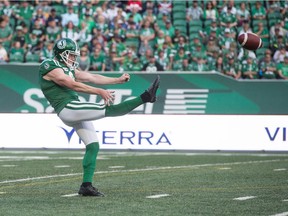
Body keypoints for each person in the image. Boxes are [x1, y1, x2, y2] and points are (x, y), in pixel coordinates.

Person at [38, 38, 160, 196]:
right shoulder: (49, 65)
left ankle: (86, 186)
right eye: (71, 55)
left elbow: (91, 77)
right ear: (61, 54)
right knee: (110, 109)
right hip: (68, 107)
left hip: (73, 107)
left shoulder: (66, 67)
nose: (74, 58)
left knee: (93, 146)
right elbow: (71, 84)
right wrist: (99, 91)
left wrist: (117, 80)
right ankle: (146, 97)